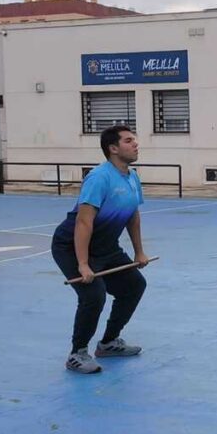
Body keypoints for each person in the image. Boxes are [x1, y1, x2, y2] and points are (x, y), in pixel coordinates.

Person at [52, 125, 150, 374]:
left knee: (134, 286)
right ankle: (77, 353)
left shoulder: (132, 177)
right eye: (128, 141)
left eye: (134, 140)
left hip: (107, 247)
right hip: (72, 246)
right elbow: (83, 222)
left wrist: (139, 251)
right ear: (113, 148)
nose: (135, 144)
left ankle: (108, 343)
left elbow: (132, 215)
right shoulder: (99, 178)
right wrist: (83, 264)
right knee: (93, 296)